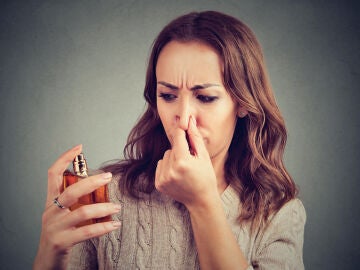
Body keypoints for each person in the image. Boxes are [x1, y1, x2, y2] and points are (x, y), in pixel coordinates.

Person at [33, 10, 306, 270]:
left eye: (205, 98)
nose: (183, 118)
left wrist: (203, 203)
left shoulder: (279, 213)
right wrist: (49, 254)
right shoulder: (104, 196)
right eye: (168, 95)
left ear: (243, 103)